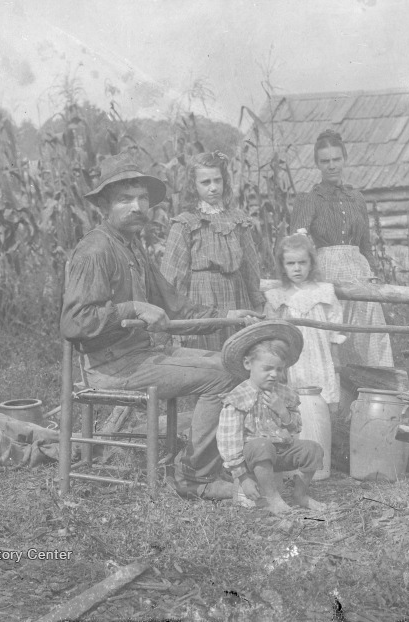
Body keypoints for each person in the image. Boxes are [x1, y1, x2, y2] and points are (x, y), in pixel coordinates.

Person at [59, 152, 261, 500]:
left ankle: (198, 466)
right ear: (105, 205)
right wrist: (131, 307)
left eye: (142, 199)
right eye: (125, 199)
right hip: (113, 366)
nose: (137, 207)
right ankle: (194, 477)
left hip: (144, 355)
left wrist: (227, 316)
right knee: (227, 374)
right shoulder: (95, 250)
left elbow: (175, 305)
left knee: (234, 364)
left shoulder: (132, 247)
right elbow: (74, 322)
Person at [290, 128, 406, 389]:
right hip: (327, 274)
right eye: (325, 161)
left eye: (336, 159)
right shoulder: (309, 200)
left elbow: (366, 244)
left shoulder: (356, 198)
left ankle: (382, 396)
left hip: (360, 273)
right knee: (331, 339)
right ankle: (332, 404)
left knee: (372, 338)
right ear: (318, 164)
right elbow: (295, 244)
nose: (331, 166)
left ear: (344, 159)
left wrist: (373, 275)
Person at [217, 321, 327, 515]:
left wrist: (283, 411)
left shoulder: (283, 394)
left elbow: (295, 428)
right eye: (267, 368)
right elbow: (228, 441)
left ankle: (299, 494)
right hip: (252, 456)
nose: (274, 374)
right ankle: (273, 498)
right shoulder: (239, 397)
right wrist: (242, 477)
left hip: (280, 452)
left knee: (313, 449)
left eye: (279, 369)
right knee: (262, 446)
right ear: (248, 364)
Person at [159, 151, 263, 351]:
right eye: (205, 182)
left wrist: (256, 305)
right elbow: (172, 279)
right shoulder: (185, 223)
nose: (213, 187)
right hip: (202, 300)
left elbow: (251, 268)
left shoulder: (238, 220)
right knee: (208, 357)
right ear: (193, 186)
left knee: (239, 355)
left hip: (236, 295)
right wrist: (177, 321)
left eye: (218, 180)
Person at [263, 233, 346, 412]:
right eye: (291, 263)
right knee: (295, 399)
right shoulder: (278, 297)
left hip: (321, 357)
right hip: (293, 359)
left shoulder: (323, 292)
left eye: (302, 262)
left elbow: (335, 328)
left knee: (323, 397)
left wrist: (335, 355)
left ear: (311, 263)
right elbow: (271, 332)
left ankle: (324, 433)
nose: (297, 269)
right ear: (283, 266)